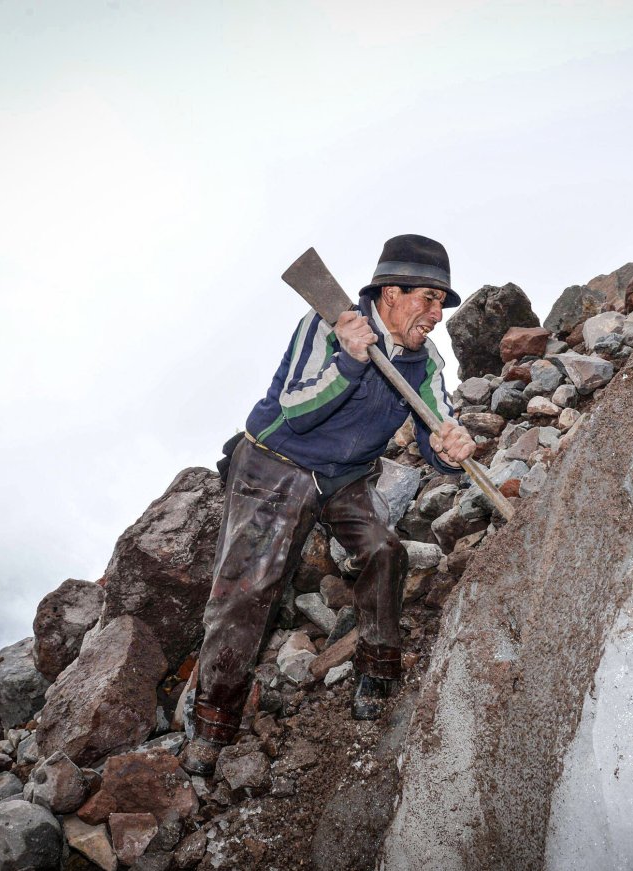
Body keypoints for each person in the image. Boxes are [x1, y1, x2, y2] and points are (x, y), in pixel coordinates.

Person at [180, 234, 476, 776]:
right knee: (249, 590)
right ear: (389, 292)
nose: (436, 314)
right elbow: (296, 412)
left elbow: (439, 427)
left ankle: (377, 669)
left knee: (386, 552)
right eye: (428, 298)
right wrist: (349, 361)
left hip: (345, 476)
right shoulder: (326, 325)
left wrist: (451, 448)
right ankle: (211, 724)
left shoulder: (425, 360)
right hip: (275, 465)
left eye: (440, 302)